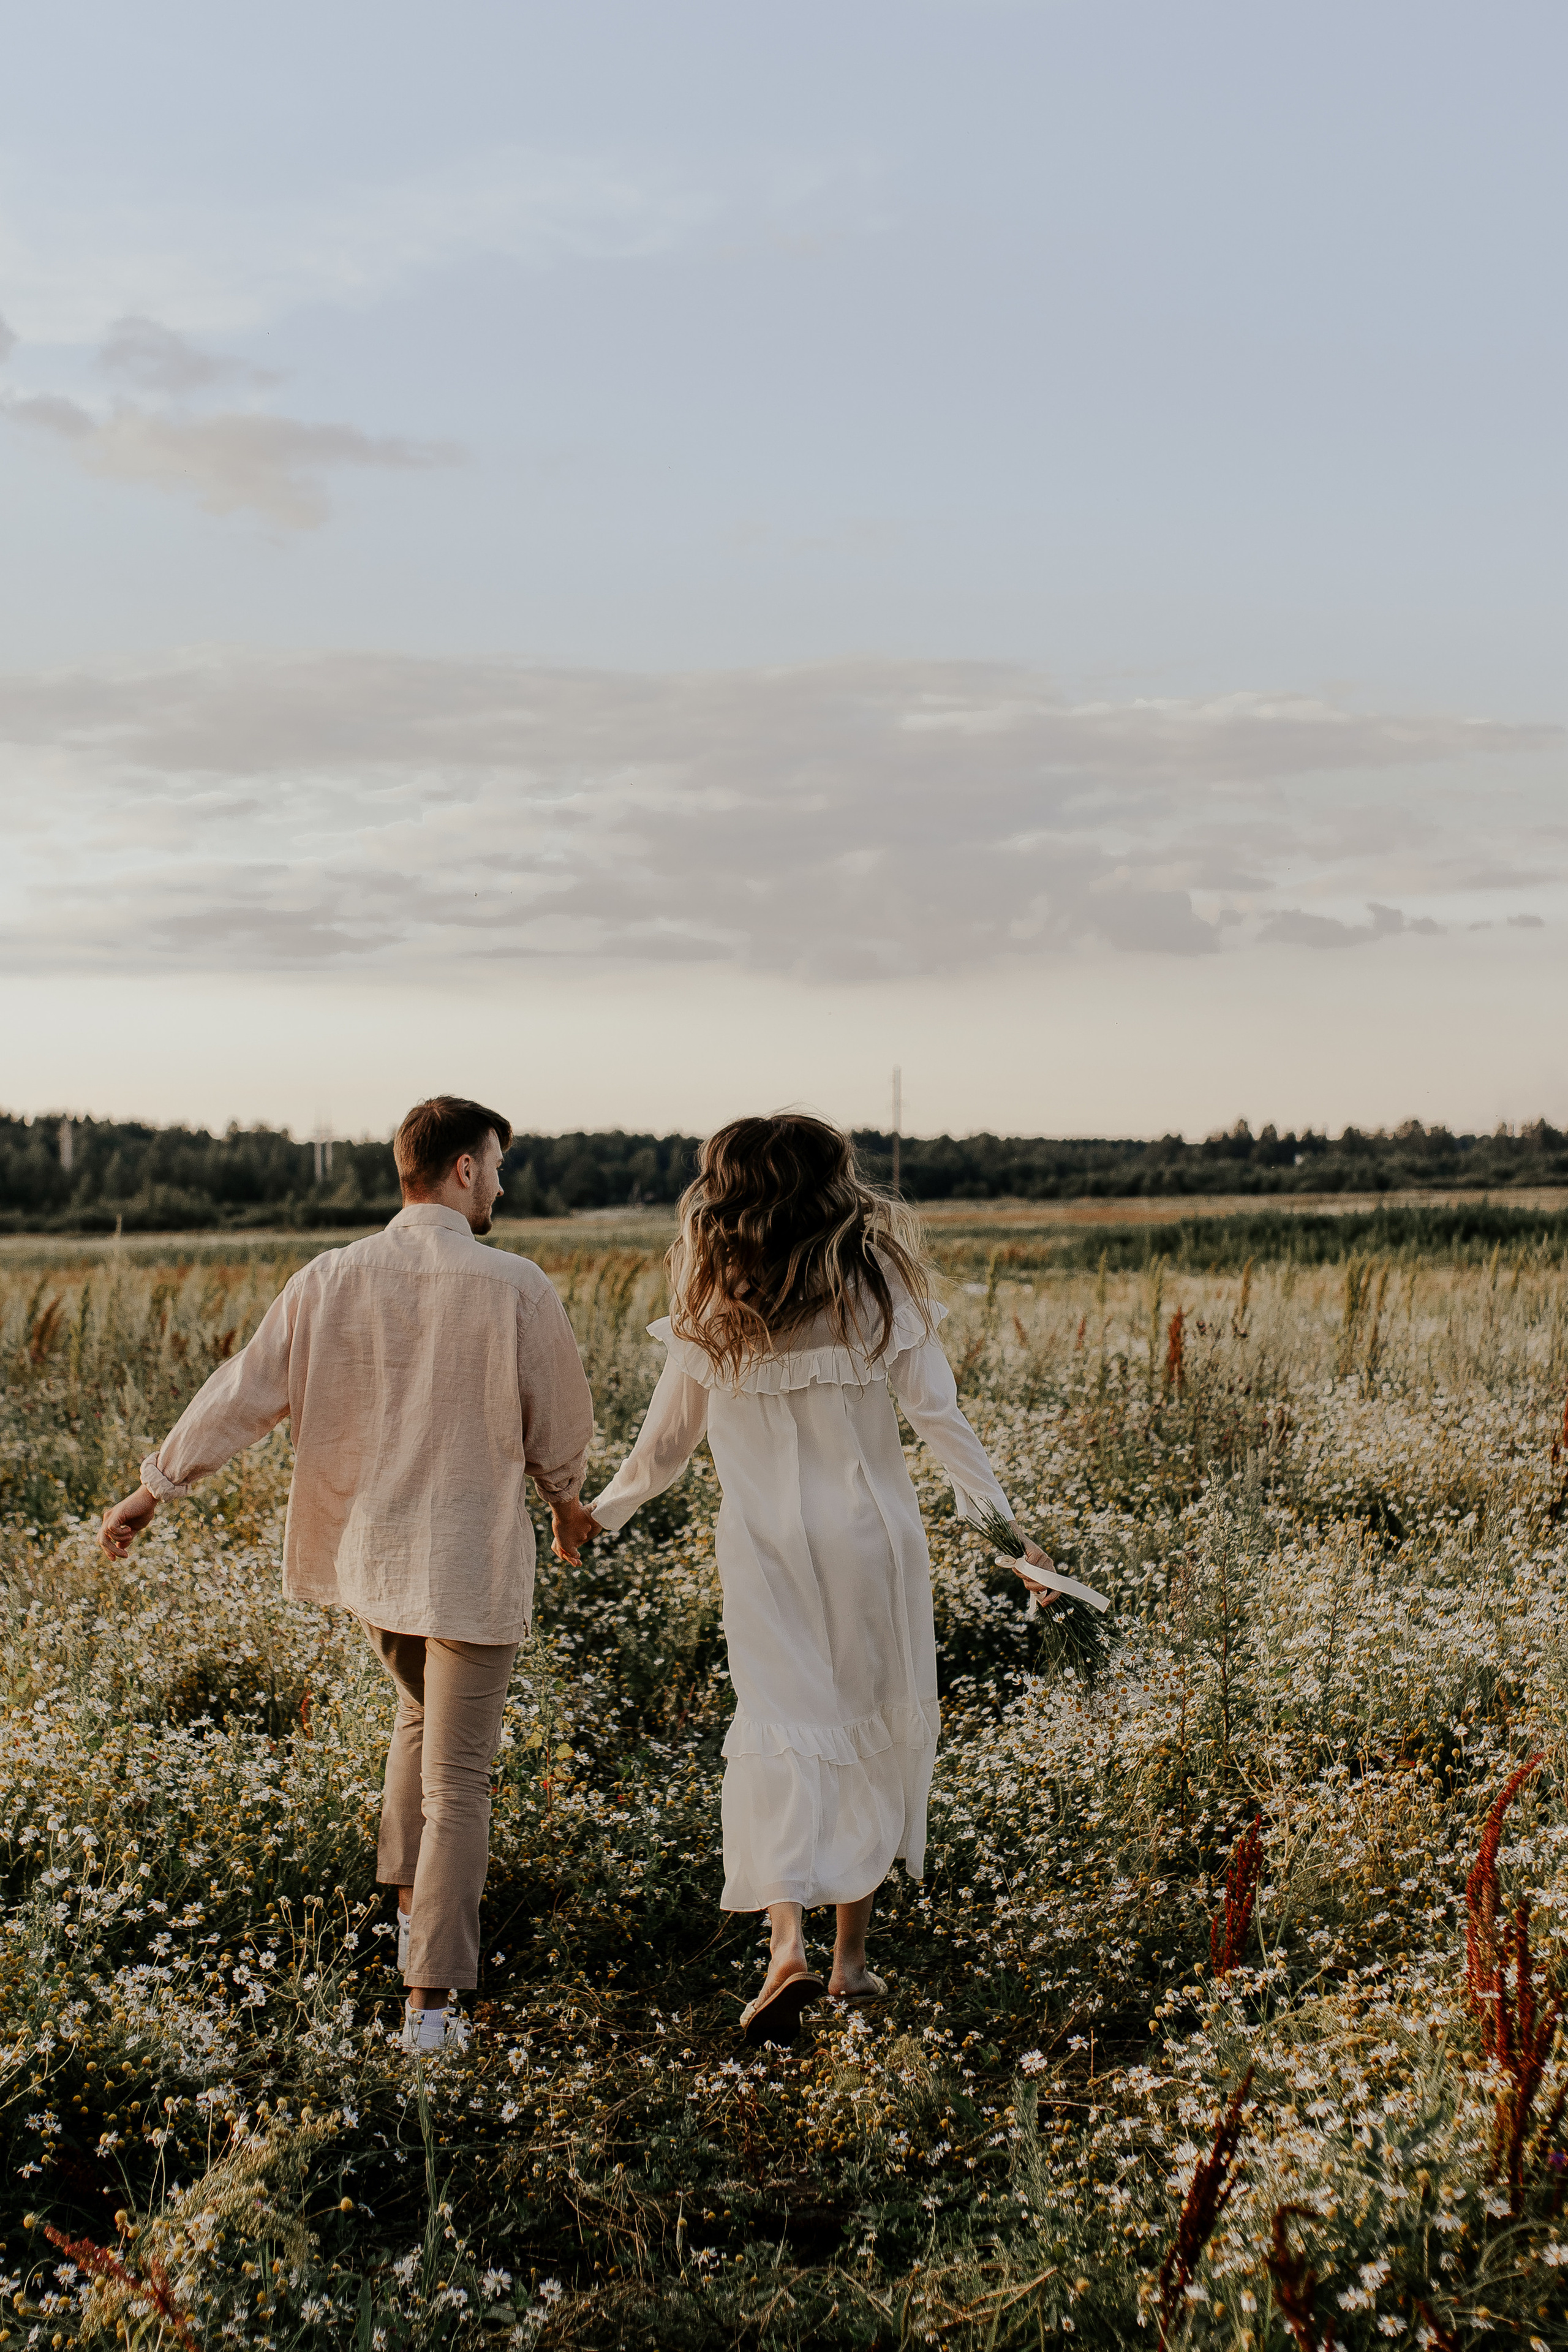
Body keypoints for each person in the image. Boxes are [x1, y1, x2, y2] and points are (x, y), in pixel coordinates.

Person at [99, 1095, 597, 2054]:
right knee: (462, 1781)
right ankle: (431, 2010)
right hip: (468, 1561)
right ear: (460, 1170)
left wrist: (151, 1491)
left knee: (417, 1722)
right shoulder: (515, 1284)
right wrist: (568, 1504)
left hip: (375, 1564)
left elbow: (243, 1392)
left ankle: (414, 1930)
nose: (501, 1181)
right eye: (494, 1164)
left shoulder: (330, 1277)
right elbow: (558, 1430)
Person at [570, 1113, 1054, 2045]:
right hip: (872, 1542)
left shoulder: (712, 1300)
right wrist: (1009, 1538)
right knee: (869, 1726)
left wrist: (604, 1511)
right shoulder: (873, 1282)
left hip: (762, 1549)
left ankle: (783, 1943)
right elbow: (942, 1423)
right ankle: (850, 1964)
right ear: (832, 1184)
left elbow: (665, 1446)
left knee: (785, 1730)